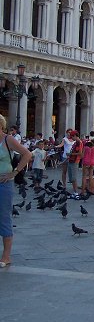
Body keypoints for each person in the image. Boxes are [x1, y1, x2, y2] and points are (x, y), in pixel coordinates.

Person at [0, 114, 31, 268]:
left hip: (3, 184)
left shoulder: (8, 140)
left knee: (4, 217)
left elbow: (27, 154)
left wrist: (15, 172)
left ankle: (6, 256)